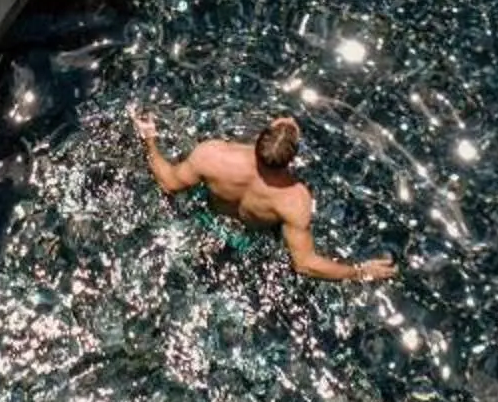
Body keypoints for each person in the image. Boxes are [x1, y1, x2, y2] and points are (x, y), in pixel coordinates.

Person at [129, 109, 394, 282]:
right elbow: (304, 264)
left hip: (203, 221)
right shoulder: (295, 199)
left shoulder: (213, 155)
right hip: (246, 246)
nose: (289, 119)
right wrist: (359, 272)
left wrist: (149, 139)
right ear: (292, 159)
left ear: (258, 140)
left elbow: (168, 183)